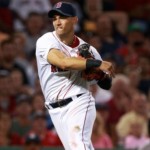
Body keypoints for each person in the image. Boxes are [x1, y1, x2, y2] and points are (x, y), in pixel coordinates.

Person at [35, 2, 115, 150]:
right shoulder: (46, 40)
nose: (57, 22)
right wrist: (94, 64)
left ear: (74, 20)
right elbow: (62, 62)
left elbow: (106, 84)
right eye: (54, 18)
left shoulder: (89, 49)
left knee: (77, 145)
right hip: (54, 109)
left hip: (79, 102)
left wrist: (100, 75)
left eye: (63, 17)